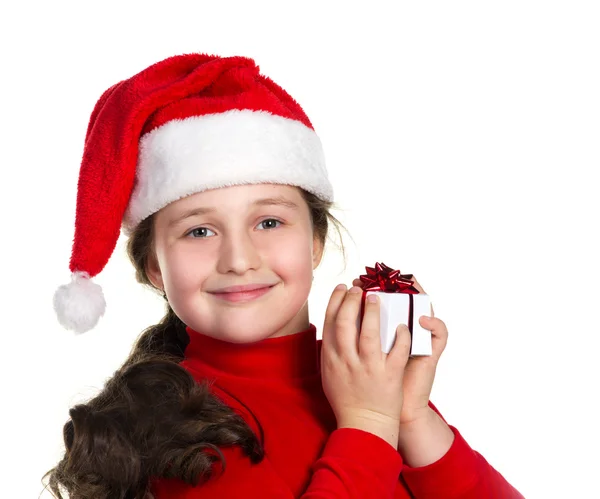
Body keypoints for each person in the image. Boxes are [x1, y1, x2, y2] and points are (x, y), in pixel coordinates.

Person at [43, 53, 524, 499]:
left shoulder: (359, 382)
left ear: (315, 243)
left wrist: (410, 416)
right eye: (200, 230)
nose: (239, 258)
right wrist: (369, 425)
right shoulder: (168, 431)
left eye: (269, 222)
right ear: (154, 267)